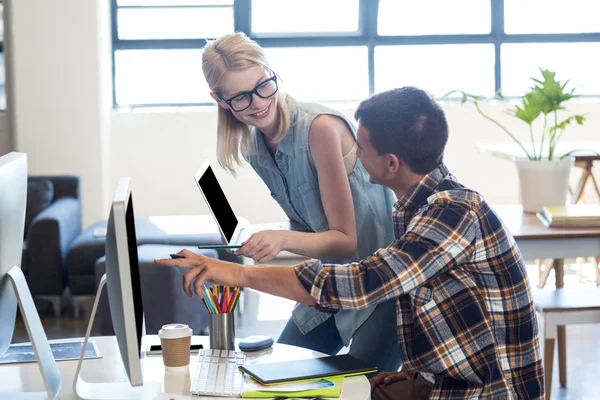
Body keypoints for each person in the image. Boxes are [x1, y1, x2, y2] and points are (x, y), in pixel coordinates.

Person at [156, 86, 545, 399]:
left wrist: (234, 273)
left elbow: (357, 285)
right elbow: (433, 302)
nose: (354, 154)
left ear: (391, 163)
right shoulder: (418, 205)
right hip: (445, 380)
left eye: (361, 148)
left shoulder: (451, 213)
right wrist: (413, 372)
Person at [200, 32, 401, 373]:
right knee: (279, 375)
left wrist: (280, 240)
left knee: (358, 387)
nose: (259, 103)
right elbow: (307, 229)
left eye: (264, 85)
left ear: (271, 71)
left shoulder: (319, 129)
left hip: (379, 287)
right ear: (220, 101)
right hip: (329, 284)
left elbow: (344, 240)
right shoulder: (254, 145)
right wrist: (262, 237)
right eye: (241, 98)